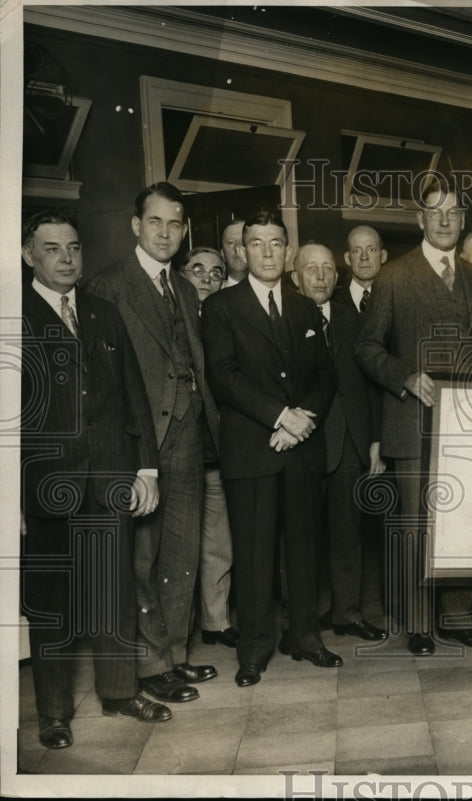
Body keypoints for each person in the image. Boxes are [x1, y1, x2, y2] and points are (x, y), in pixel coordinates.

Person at [20, 209, 172, 749]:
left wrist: (147, 468)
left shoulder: (104, 313)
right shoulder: (13, 318)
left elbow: (136, 395)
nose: (66, 258)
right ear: (27, 254)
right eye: (53, 248)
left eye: (74, 247)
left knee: (114, 595)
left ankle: (119, 691)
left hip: (109, 478)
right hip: (44, 486)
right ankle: (55, 714)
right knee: (53, 603)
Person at [87, 182, 218, 704]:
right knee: (142, 558)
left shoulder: (184, 288)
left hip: (188, 435)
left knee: (181, 554)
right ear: (136, 225)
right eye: (156, 222)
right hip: (140, 442)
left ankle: (176, 655)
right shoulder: (108, 286)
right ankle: (149, 665)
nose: (167, 233)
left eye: (176, 223)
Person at [355, 185, 472, 656]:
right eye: (436, 213)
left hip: (467, 428)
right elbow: (366, 347)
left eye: (454, 212)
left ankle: (458, 616)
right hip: (412, 425)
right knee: (416, 525)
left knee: (462, 524)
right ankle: (418, 624)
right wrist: (406, 377)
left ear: (463, 220)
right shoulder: (394, 276)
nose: (445, 220)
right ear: (420, 220)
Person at [201, 212, 339, 686]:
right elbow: (223, 375)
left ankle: (305, 637)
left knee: (304, 547)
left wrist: (301, 423)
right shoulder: (220, 307)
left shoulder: (305, 308)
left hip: (300, 448)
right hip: (252, 449)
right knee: (255, 554)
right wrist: (281, 417)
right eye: (256, 243)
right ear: (241, 250)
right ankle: (254, 647)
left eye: (276, 243)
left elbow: (326, 376)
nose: (266, 252)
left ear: (287, 252)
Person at [290, 241, 388, 642]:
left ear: (338, 274)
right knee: (300, 538)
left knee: (348, 533)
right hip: (301, 442)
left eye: (328, 269)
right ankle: (303, 621)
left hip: (349, 441)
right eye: (311, 269)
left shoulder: (353, 319)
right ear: (295, 277)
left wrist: (375, 440)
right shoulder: (284, 318)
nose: (320, 276)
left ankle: (347, 613)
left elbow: (373, 385)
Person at [174, 247, 238, 649]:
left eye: (216, 273)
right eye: (197, 270)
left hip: (216, 448)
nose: (206, 278)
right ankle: (178, 632)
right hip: (177, 450)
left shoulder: (224, 319)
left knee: (218, 542)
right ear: (182, 273)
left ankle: (216, 623)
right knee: (178, 546)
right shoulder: (171, 316)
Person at [332, 224, 386, 315]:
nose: (364, 257)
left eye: (371, 250)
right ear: (347, 258)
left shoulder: (398, 300)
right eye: (356, 251)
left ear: (383, 256)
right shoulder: (331, 300)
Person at [220, 218, 249, 287]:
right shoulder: (214, 294)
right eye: (230, 242)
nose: (237, 247)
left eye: (243, 241)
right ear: (223, 254)